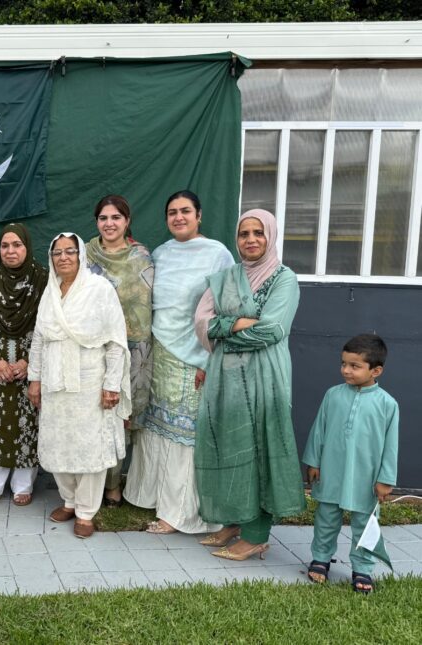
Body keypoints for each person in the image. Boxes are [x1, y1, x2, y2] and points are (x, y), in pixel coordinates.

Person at [193, 208, 306, 560]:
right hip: (225, 378)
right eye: (244, 234)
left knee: (258, 447)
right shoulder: (225, 276)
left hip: (264, 377)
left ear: (270, 236)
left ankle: (256, 533)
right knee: (227, 442)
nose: (251, 240)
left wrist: (224, 330)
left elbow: (272, 330)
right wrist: (235, 324)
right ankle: (234, 519)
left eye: (258, 233)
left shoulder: (284, 279)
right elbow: (202, 324)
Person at [123, 190, 233, 534]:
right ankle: (152, 496)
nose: (179, 217)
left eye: (186, 211)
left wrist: (208, 359)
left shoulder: (218, 254)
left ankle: (178, 512)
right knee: (157, 427)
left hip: (194, 358)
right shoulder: (161, 253)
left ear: (199, 215)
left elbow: (225, 309)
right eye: (172, 212)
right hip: (157, 355)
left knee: (184, 435)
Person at [28, 233, 131, 538]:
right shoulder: (49, 291)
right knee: (59, 442)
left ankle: (86, 511)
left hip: (89, 381)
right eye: (57, 252)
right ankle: (69, 501)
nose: (63, 257)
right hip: (54, 380)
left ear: (80, 254)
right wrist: (35, 379)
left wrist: (111, 384)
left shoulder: (99, 289)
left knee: (89, 448)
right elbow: (38, 339)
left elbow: (115, 341)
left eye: (69, 251)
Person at [303, 334, 399, 593]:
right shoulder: (333, 395)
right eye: (344, 363)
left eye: (355, 366)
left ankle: (363, 568)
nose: (346, 370)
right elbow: (319, 430)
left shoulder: (387, 404)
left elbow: (391, 445)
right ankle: (321, 558)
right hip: (332, 472)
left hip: (365, 478)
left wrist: (385, 479)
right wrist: (313, 461)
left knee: (365, 524)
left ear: (376, 370)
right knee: (326, 518)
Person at [0, 223, 48, 512]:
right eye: (5, 246)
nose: (11, 251)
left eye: (17, 245)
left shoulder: (43, 282)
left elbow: (51, 326)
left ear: (27, 247)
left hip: (31, 368)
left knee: (28, 423)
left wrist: (30, 361)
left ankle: (23, 485)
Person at [85, 195, 154, 508]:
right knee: (98, 414)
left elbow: (151, 302)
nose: (109, 223)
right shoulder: (86, 253)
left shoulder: (141, 256)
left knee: (123, 416)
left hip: (135, 349)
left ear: (127, 221)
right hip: (95, 347)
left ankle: (115, 484)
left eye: (116, 217)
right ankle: (95, 482)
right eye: (103, 218)